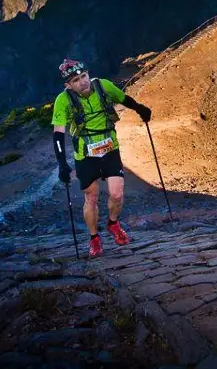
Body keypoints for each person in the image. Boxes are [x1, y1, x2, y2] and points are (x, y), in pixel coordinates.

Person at [51, 58, 153, 258]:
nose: (83, 82)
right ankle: (94, 238)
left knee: (116, 194)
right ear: (68, 85)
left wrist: (140, 109)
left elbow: (124, 99)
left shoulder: (103, 86)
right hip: (85, 154)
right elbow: (58, 134)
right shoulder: (63, 101)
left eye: (83, 76)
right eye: (76, 80)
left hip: (110, 148)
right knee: (92, 197)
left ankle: (113, 224)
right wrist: (62, 164)